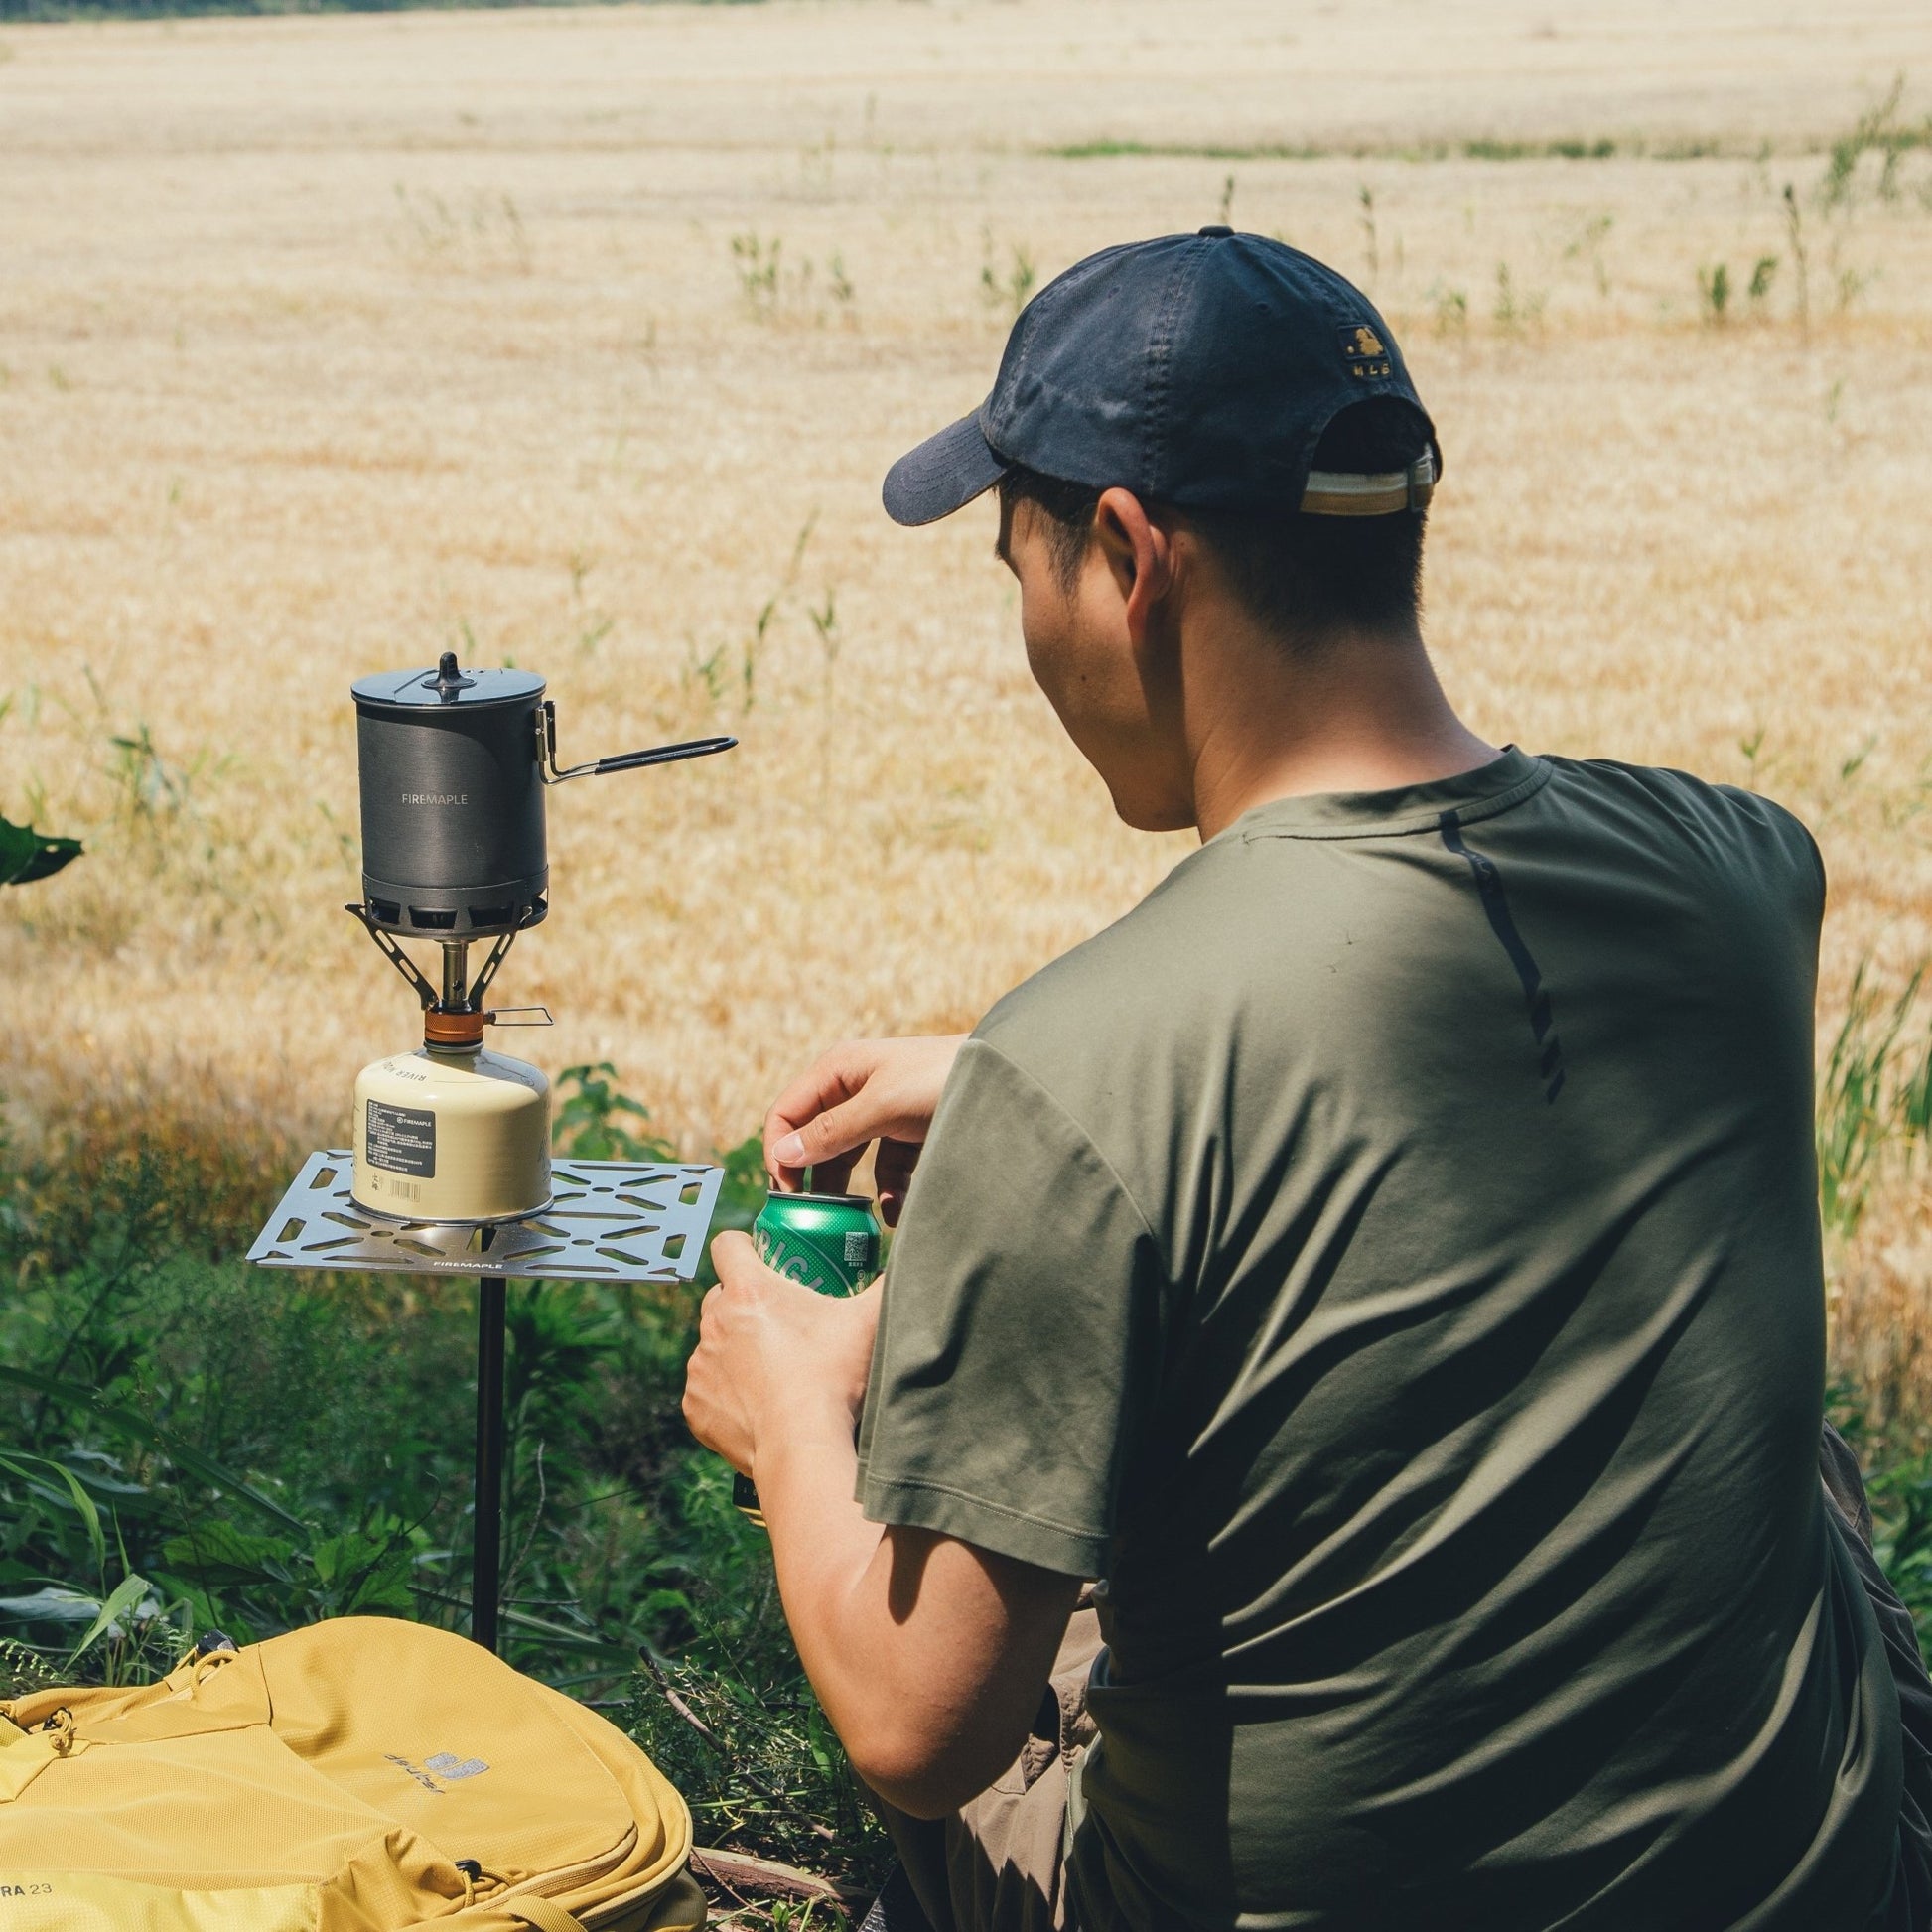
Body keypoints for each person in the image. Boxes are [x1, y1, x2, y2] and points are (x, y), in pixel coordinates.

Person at [680, 229, 1932, 1931]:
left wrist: (793, 1410)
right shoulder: (1733, 871)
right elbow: (1428, 1063)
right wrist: (1021, 1099)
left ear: (1127, 554)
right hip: (1807, 1889)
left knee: (1011, 1644)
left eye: (1014, 567)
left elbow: (918, 1717)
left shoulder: (1090, 1070)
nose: (1027, 629)